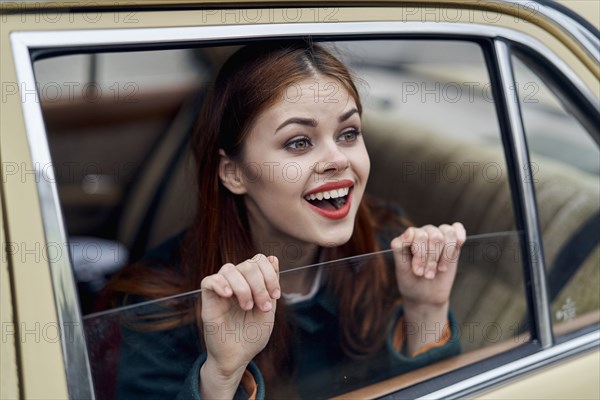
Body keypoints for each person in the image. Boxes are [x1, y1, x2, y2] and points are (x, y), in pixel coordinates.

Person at [107, 40, 466, 400]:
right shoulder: (157, 309)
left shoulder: (390, 247)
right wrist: (222, 374)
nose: (337, 159)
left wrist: (425, 309)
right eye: (298, 142)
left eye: (348, 134)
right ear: (234, 173)